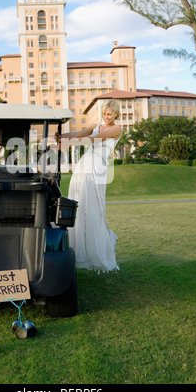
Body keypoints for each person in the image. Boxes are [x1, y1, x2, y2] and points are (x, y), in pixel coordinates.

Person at [57, 99, 122, 273]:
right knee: (78, 201)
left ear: (116, 114)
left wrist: (71, 143)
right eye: (104, 113)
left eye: (110, 114)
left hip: (97, 167)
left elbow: (94, 139)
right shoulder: (95, 124)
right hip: (84, 164)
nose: (106, 117)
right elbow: (79, 132)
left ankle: (95, 251)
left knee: (93, 207)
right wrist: (62, 136)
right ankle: (78, 250)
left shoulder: (117, 128)